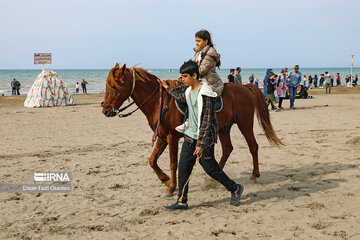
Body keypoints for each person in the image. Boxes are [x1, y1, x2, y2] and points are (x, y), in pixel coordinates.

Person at [159, 60, 244, 210]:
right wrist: (166, 87)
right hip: (189, 136)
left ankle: (235, 188)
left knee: (211, 169)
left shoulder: (206, 94)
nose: (182, 79)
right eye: (181, 76)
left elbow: (207, 120)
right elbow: (179, 98)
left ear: (194, 75)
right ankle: (181, 201)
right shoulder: (188, 91)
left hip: (204, 140)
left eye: (184, 76)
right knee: (183, 169)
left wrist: (201, 143)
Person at [193, 30, 223, 96]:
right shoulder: (198, 53)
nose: (196, 43)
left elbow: (201, 71)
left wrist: (189, 73)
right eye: (196, 41)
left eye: (198, 41)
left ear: (206, 41)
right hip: (200, 81)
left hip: (210, 83)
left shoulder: (210, 54)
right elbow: (192, 66)